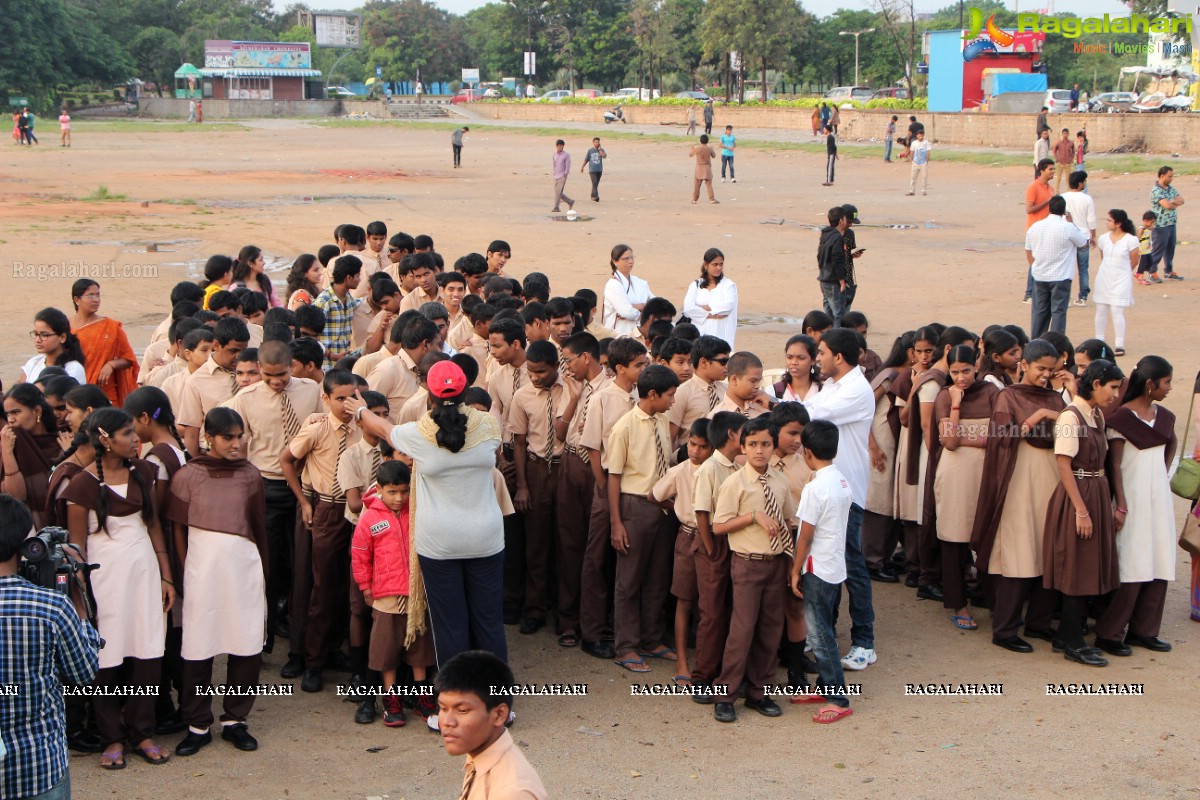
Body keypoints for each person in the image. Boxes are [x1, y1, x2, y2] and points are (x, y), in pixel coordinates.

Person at [349, 361, 507, 682]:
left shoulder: (418, 434)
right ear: (465, 392)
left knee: (450, 624)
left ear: (428, 398)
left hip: (438, 543)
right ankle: (496, 701)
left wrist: (361, 411)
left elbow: (384, 430)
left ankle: (454, 701)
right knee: (488, 621)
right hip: (485, 539)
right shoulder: (490, 426)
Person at [63, 408, 174, 769]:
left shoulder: (144, 472)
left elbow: (154, 526)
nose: (135, 439)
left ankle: (142, 732)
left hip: (143, 573)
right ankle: (112, 737)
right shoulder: (80, 485)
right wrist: (82, 599)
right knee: (105, 660)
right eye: (127, 433)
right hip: (104, 581)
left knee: (147, 653)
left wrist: (166, 576)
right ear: (105, 439)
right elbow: (76, 547)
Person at [167, 408, 267, 755]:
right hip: (201, 573)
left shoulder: (251, 475)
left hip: (244, 570)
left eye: (241, 436)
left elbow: (258, 527)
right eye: (229, 437)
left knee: (246, 643)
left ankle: (235, 721)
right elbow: (177, 528)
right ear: (209, 437)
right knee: (198, 648)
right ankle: (197, 723)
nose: (236, 443)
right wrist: (185, 570)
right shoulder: (188, 475)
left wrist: (262, 573)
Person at [970, 339, 1068, 654]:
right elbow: (1001, 437)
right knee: (1018, 553)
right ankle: (1005, 629)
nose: (1045, 375)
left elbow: (1074, 436)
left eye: (1051, 370)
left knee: (1047, 551)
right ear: (1024, 364)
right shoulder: (1007, 396)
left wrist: (1070, 402)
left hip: (1053, 480)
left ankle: (1039, 623)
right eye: (1041, 368)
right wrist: (1036, 418)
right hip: (1018, 484)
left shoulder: (1056, 398)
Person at [0, 494, 100, 800]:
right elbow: (84, 672)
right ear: (23, 546)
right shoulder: (51, 607)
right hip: (38, 768)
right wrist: (78, 599)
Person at [710, 417, 796, 722]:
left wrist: (791, 563)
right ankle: (726, 694)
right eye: (752, 445)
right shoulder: (735, 483)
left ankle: (759, 691)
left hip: (775, 563)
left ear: (774, 446)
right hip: (747, 564)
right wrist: (753, 517)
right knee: (742, 630)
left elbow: (787, 521)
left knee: (771, 629)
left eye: (765, 444)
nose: (759, 451)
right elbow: (718, 525)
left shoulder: (780, 481)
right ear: (743, 447)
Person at [1043, 359, 1124, 666]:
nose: (1115, 394)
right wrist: (1081, 511)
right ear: (1097, 384)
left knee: (1087, 566)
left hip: (1096, 493)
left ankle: (1067, 635)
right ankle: (1072, 641)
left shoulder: (1096, 415)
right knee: (1076, 567)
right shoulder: (1071, 417)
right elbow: (1063, 463)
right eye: (1113, 388)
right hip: (1079, 495)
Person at [1094, 356, 1177, 655]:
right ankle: (1110, 632)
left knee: (1159, 560)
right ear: (1151, 384)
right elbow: (1114, 466)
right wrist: (1122, 504)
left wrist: (1161, 474)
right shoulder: (1120, 420)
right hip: (1132, 499)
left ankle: (1144, 630)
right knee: (1131, 563)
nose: (1169, 388)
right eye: (1166, 382)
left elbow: (1171, 444)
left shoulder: (1164, 416)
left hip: (1158, 500)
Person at [804, 329, 877, 672]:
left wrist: (771, 405)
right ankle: (826, 634)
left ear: (839, 357)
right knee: (828, 561)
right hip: (829, 487)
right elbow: (811, 406)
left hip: (848, 492)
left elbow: (812, 417)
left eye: (821, 353)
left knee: (851, 565)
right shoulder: (834, 385)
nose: (817, 359)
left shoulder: (857, 391)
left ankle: (864, 642)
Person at [350, 460, 436, 727]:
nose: (399, 498)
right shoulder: (370, 518)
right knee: (386, 651)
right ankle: (391, 699)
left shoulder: (417, 511)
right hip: (385, 598)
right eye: (392, 492)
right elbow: (360, 556)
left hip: (416, 596)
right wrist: (365, 587)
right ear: (379, 489)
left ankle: (423, 697)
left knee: (419, 649)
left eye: (404, 491)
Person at [578, 339, 647, 660]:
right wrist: (603, 487)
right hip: (608, 484)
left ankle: (617, 625)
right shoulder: (603, 398)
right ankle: (591, 631)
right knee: (596, 557)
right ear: (621, 368)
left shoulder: (639, 397)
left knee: (625, 558)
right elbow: (593, 447)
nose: (644, 369)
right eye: (639, 365)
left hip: (634, 487)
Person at [607, 365, 679, 674]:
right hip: (635, 506)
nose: (674, 401)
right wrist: (616, 523)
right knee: (630, 579)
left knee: (657, 576)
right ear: (652, 394)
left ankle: (651, 638)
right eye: (671, 395)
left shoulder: (662, 420)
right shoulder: (624, 426)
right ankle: (626, 646)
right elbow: (613, 476)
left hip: (662, 507)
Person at [789, 419, 854, 723]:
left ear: (807, 451)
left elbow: (805, 535)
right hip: (835, 566)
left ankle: (838, 698)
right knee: (826, 625)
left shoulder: (815, 488)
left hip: (817, 567)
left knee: (820, 635)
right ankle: (827, 687)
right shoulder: (841, 480)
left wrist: (794, 569)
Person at [931, 346, 999, 630]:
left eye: (966, 371)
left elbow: (1001, 434)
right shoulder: (945, 396)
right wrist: (957, 404)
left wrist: (966, 439)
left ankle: (994, 602)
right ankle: (958, 603)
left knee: (990, 538)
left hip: (986, 473)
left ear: (977, 367)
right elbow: (948, 441)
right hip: (955, 475)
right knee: (954, 537)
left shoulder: (992, 393)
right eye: (955, 372)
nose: (961, 377)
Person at [436, 651, 548, 800]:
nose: (447, 722)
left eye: (463, 710)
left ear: (499, 714)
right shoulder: (480, 757)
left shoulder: (511, 793)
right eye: (443, 708)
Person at [508, 341, 565, 636]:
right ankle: (534, 609)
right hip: (536, 467)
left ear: (555, 367)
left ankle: (564, 613)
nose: (535, 377)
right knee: (536, 544)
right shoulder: (522, 396)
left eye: (541, 372)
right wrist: (523, 486)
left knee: (566, 542)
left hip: (565, 467)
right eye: (530, 371)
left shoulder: (571, 390)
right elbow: (518, 441)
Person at [650, 418, 712, 684]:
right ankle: (682, 662)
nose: (696, 451)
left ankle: (708, 661)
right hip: (687, 536)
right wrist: (674, 507)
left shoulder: (720, 471)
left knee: (710, 604)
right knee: (684, 600)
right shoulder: (681, 471)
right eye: (693, 445)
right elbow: (654, 495)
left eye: (703, 447)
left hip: (713, 536)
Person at [1027, 196, 1089, 337]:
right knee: (1058, 312)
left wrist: (1034, 265)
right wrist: (1072, 223)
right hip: (1061, 276)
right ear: (1064, 211)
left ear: (1049, 208)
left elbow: (1028, 249)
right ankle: (1055, 345)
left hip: (1040, 274)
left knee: (1040, 312)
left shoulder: (1035, 226)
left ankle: (1036, 343)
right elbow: (1083, 243)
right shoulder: (1068, 227)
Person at [1, 384, 62, 529]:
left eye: (16, 412)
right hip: (27, 530)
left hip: (63, 525)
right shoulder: (10, 443)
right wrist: (7, 452)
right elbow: (16, 496)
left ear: (37, 411)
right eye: (7, 414)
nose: (11, 420)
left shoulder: (62, 440)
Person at [69, 279, 138, 405]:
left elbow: (129, 359)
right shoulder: (66, 328)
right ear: (77, 300)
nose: (96, 299)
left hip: (105, 394)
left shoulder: (111, 327)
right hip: (73, 394)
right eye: (90, 295)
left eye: (98, 295)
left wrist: (111, 365)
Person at [1092, 209, 1139, 357]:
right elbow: (1103, 256)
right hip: (1104, 277)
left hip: (1121, 279)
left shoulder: (1131, 240)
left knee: (1117, 311)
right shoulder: (1104, 238)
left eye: (1109, 221)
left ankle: (1119, 344)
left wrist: (1124, 271)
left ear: (1118, 223)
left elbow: (1134, 260)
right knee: (1101, 310)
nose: (1107, 223)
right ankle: (1099, 341)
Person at [681, 248, 738, 347]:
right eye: (715, 264)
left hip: (722, 336)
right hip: (700, 336)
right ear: (706, 265)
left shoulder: (728, 285)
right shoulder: (696, 285)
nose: (718, 268)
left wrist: (702, 309)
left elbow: (728, 306)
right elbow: (688, 308)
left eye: (721, 264)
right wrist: (711, 315)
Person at [21, 307, 87, 384]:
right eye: (36, 334)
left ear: (62, 337)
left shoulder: (73, 369)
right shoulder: (33, 362)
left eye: (44, 335)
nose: (38, 340)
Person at [1062, 171, 1097, 307]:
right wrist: (1093, 236)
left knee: (1067, 268)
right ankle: (1083, 296)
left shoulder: (1063, 197)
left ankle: (1066, 297)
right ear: (1080, 183)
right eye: (1084, 181)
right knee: (1083, 268)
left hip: (1068, 237)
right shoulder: (1087, 199)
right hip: (1083, 237)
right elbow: (1091, 220)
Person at [602, 244, 653, 335]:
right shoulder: (613, 285)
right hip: (619, 332)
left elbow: (654, 303)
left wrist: (636, 306)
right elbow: (627, 312)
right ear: (615, 261)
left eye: (632, 258)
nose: (630, 261)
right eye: (625, 259)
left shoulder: (640, 282)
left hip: (639, 331)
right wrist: (642, 309)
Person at [1147, 166, 1184, 281]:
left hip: (1171, 223)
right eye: (1169, 176)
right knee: (1158, 250)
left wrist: (1171, 202)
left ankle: (1168, 271)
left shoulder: (1170, 188)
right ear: (1162, 176)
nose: (1171, 178)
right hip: (1160, 225)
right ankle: (1152, 272)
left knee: (1170, 249)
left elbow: (1181, 200)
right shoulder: (1156, 191)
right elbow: (1167, 205)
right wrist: (1173, 202)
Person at [817, 206, 849, 326]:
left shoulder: (826, 234)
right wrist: (842, 282)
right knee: (838, 314)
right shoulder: (837, 237)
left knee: (829, 312)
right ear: (841, 220)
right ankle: (835, 340)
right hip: (832, 280)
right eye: (845, 218)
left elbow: (819, 255)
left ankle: (827, 337)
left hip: (824, 277)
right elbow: (837, 260)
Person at [689, 134, 718, 204]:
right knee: (709, 185)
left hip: (699, 168)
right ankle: (712, 199)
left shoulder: (698, 148)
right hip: (707, 168)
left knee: (697, 185)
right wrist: (712, 149)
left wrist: (692, 149)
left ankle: (694, 199)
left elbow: (690, 154)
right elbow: (714, 156)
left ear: (700, 141)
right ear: (707, 141)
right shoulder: (709, 148)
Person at [550, 139, 575, 213]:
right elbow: (554, 165)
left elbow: (568, 165)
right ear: (557, 146)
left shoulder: (566, 155)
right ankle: (570, 201)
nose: (560, 147)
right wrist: (554, 173)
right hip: (556, 176)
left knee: (558, 192)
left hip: (562, 176)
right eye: (559, 146)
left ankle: (556, 207)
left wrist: (565, 174)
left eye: (562, 146)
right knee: (558, 193)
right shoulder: (554, 154)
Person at [1135, 211, 1156, 285]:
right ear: (1145, 221)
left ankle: (1140, 274)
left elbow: (1149, 235)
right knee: (1142, 264)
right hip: (1141, 250)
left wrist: (1149, 243)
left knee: (1150, 263)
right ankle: (1140, 276)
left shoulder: (1148, 228)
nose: (1152, 224)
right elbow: (1137, 238)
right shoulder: (1141, 229)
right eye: (1152, 222)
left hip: (1147, 250)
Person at [906, 130, 930, 196]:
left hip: (923, 162)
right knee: (913, 177)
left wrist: (927, 160)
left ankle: (924, 190)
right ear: (917, 136)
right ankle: (912, 190)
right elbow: (912, 151)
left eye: (922, 136)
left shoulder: (926, 143)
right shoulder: (914, 143)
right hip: (915, 162)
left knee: (924, 176)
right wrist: (912, 160)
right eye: (919, 136)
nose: (921, 137)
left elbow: (928, 151)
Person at [582, 137, 606, 202]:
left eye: (598, 142)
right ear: (593, 142)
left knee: (595, 184)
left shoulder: (602, 150)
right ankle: (596, 196)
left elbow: (604, 156)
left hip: (599, 170)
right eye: (596, 142)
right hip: (592, 170)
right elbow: (586, 159)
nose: (597, 143)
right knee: (594, 182)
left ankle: (592, 196)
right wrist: (582, 167)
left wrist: (600, 149)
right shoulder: (590, 151)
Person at [1052, 128, 1075, 195]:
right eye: (1064, 134)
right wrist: (1056, 158)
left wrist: (1072, 158)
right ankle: (1057, 191)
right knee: (1058, 178)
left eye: (1066, 134)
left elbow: (1073, 151)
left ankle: (1069, 191)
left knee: (1068, 178)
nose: (1065, 135)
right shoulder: (1059, 143)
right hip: (1060, 163)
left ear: (1068, 134)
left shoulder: (1071, 143)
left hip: (1068, 163)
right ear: (1062, 134)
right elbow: (1054, 150)